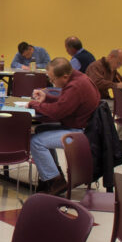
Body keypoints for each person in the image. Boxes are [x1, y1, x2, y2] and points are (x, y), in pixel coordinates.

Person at [28, 57, 101, 193]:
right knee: (40, 130)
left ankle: (56, 182)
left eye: (53, 79)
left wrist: (34, 104)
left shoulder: (75, 86)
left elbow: (57, 112)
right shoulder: (79, 79)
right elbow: (67, 102)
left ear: (65, 76)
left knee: (35, 142)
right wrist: (47, 97)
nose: (52, 82)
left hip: (80, 132)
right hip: (85, 127)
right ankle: (53, 173)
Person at [86, 48, 122, 142]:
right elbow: (97, 83)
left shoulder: (111, 68)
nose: (118, 67)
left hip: (104, 99)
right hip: (95, 100)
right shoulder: (95, 66)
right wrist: (115, 85)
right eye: (118, 63)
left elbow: (120, 78)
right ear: (111, 57)